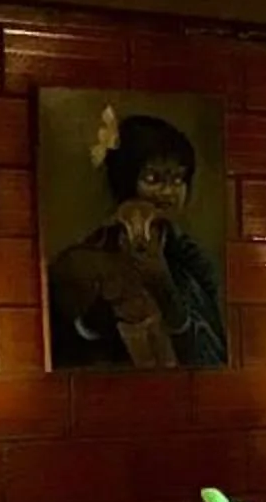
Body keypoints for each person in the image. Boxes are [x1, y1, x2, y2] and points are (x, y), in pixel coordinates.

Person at [46, 108, 226, 368]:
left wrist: (165, 289)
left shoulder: (193, 262)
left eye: (178, 179)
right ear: (126, 180)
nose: (168, 192)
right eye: (153, 178)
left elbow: (212, 359)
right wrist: (101, 313)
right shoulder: (83, 261)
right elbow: (68, 354)